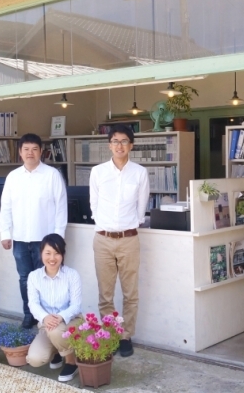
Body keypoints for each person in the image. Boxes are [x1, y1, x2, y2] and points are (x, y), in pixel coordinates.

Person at [89, 124, 149, 358]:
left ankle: (125, 336)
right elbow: (93, 204)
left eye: (124, 141)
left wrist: (129, 224)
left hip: (128, 239)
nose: (119, 146)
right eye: (115, 141)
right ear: (109, 145)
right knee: (105, 293)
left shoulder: (139, 172)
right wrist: (103, 223)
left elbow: (141, 206)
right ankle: (111, 334)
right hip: (103, 239)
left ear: (131, 145)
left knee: (130, 292)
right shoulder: (98, 172)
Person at [0, 133, 68, 329]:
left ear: (41, 152)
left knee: (46, 278)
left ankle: (46, 318)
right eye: (26, 149)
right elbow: (6, 207)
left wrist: (58, 238)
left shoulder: (52, 175)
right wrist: (5, 234)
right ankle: (29, 314)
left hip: (45, 240)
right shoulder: (13, 177)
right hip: (20, 238)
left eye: (34, 149)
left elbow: (61, 207)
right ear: (20, 152)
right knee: (25, 279)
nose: (30, 153)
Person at [26, 234, 82, 382]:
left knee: (57, 330)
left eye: (57, 253)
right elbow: (33, 304)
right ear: (41, 254)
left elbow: (76, 305)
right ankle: (58, 351)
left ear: (62, 255)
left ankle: (71, 362)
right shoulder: (34, 276)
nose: (52, 258)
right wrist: (45, 317)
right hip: (47, 324)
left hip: (71, 321)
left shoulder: (72, 275)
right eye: (48, 253)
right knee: (34, 359)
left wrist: (60, 317)